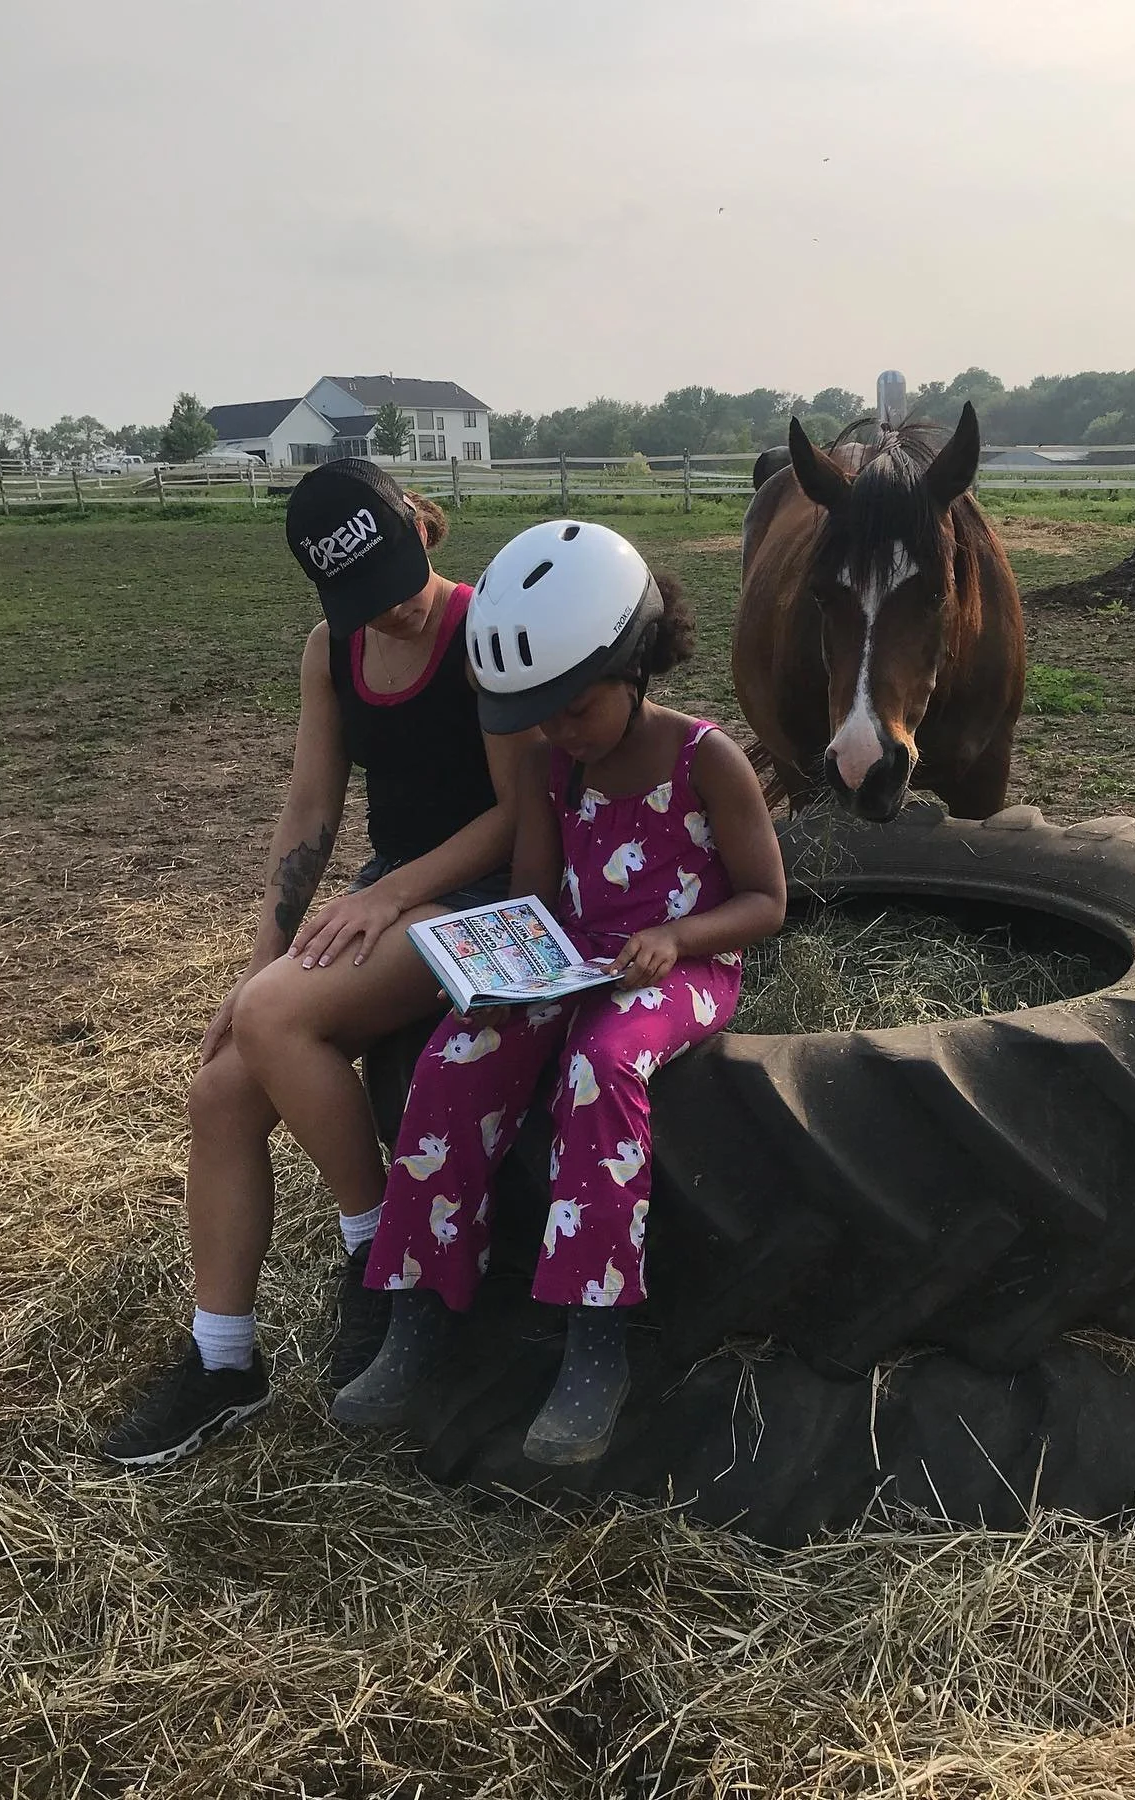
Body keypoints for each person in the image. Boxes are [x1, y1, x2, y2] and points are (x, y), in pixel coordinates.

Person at [103, 460, 535, 1467]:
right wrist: (255, 968)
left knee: (277, 1020)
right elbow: (310, 812)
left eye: (392, 583)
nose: (383, 613)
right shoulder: (330, 651)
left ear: (421, 534)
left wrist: (385, 894)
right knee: (219, 1088)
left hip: (485, 899)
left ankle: (378, 1251)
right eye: (357, 598)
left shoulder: (481, 632)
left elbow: (521, 814)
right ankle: (223, 1362)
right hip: (393, 889)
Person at [331, 519, 787, 1464]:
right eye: (540, 715)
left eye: (575, 707)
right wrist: (496, 968)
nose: (557, 731)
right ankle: (417, 1309)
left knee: (603, 1064)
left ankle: (595, 1341)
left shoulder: (707, 760)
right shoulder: (548, 767)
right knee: (456, 1056)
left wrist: (675, 936)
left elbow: (766, 902)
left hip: (683, 967)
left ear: (635, 665)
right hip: (576, 955)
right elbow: (540, 897)